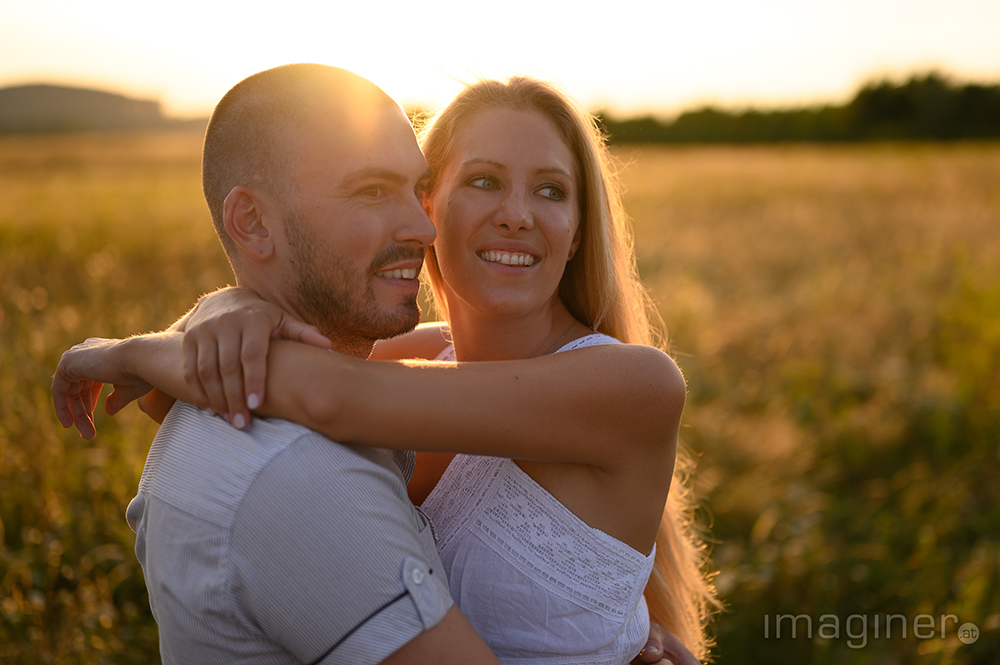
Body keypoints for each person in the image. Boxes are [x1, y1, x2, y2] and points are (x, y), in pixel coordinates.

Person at [53, 71, 710, 664]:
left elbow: (325, 394)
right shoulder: (422, 357)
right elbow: (180, 399)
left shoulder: (636, 384)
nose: (517, 214)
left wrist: (132, 350)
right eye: (483, 181)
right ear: (429, 210)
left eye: (551, 191)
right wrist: (222, 308)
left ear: (575, 232)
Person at [52, 63, 500, 665]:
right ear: (253, 223)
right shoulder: (298, 478)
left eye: (416, 189)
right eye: (371, 191)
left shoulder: (260, 403)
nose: (423, 227)